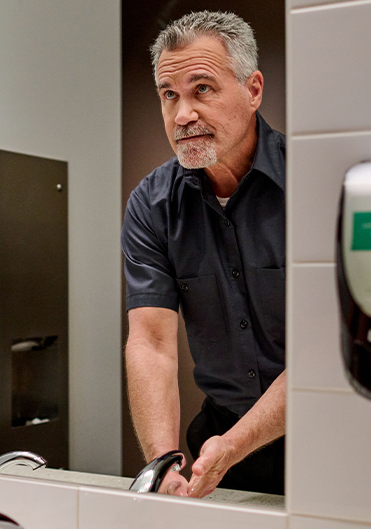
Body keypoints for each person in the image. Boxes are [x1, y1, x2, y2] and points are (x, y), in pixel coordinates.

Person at [122, 11, 287, 499]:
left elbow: (323, 353)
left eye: (202, 90)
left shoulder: (312, 184)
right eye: (169, 95)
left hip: (329, 439)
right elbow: (151, 343)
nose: (182, 115)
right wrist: (162, 459)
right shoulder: (152, 204)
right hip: (222, 448)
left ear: (253, 90)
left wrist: (234, 445)